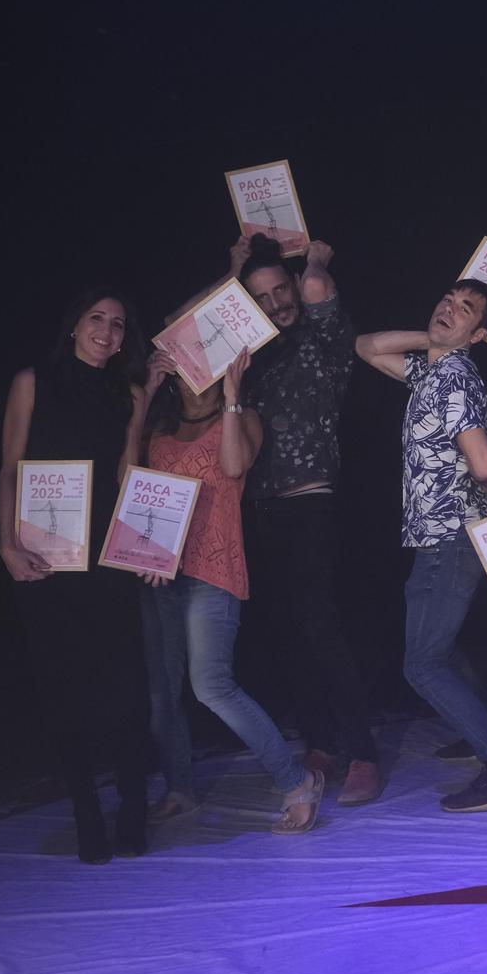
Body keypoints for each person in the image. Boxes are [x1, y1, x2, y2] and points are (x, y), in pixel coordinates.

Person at [355, 279, 487, 814]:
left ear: (480, 333)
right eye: (449, 300)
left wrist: (450, 347)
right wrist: (437, 341)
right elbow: (366, 346)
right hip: (439, 534)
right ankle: (478, 725)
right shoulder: (433, 371)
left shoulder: (452, 378)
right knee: (441, 649)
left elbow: (482, 465)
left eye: (467, 311)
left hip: (451, 534)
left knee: (422, 664)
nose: (449, 309)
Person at [0, 288, 158, 863]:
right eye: (97, 318)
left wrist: (147, 549)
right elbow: (11, 464)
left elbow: (129, 473)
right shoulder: (32, 382)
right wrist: (6, 545)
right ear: (75, 326)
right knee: (63, 693)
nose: (107, 330)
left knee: (127, 694)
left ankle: (133, 809)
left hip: (108, 562)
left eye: (118, 323)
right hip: (47, 561)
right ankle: (88, 817)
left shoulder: (130, 392)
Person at [139, 345, 324, 834]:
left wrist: (233, 395)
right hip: (159, 570)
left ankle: (297, 780)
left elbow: (236, 467)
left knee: (211, 686)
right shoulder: (159, 429)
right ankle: (180, 787)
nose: (195, 370)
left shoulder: (241, 418)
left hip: (212, 568)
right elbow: (132, 486)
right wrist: (144, 401)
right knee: (163, 692)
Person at [236, 235, 381, 806]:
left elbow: (317, 286)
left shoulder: (324, 336)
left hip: (311, 500)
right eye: (262, 298)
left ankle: (363, 749)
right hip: (259, 506)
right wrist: (232, 270)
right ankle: (320, 740)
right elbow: (193, 330)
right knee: (288, 634)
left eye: (281, 289)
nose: (276, 304)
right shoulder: (252, 357)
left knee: (321, 628)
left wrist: (317, 255)